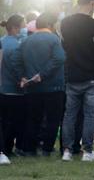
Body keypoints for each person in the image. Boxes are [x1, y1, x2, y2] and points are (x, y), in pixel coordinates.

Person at [60, 0, 94, 162]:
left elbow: (63, 47)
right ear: (93, 3)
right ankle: (87, 152)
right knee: (89, 115)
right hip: (92, 75)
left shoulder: (64, 24)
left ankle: (67, 151)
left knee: (69, 115)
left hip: (72, 75)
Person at [15, 13, 65, 156]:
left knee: (33, 118)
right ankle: (47, 148)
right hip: (54, 87)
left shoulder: (26, 41)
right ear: (50, 25)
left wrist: (23, 77)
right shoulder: (54, 39)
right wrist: (42, 75)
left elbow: (16, 61)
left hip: (32, 88)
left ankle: (30, 149)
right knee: (52, 119)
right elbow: (60, 58)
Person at [0, 15, 27, 162]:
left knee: (3, 122)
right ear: (16, 28)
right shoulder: (17, 45)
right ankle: (8, 149)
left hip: (2, 89)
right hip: (16, 90)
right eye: (23, 25)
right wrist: (23, 79)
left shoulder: (1, 42)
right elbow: (17, 67)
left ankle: (3, 148)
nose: (25, 28)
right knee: (15, 122)